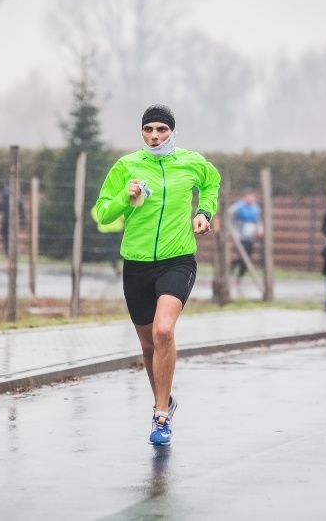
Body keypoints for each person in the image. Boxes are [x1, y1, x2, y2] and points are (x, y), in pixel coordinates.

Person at [94, 104, 220, 445]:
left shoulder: (191, 162)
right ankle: (164, 400)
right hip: (136, 265)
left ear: (172, 132)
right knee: (149, 345)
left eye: (161, 130)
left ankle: (160, 415)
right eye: (148, 129)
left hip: (178, 260)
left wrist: (204, 212)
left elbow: (212, 182)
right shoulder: (127, 166)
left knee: (164, 330)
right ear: (142, 133)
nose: (154, 136)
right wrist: (126, 195)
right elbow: (103, 212)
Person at [227, 189, 263, 282]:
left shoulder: (256, 208)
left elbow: (258, 221)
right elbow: (229, 219)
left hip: (249, 237)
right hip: (239, 236)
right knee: (240, 256)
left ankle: (239, 277)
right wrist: (234, 232)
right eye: (249, 196)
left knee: (248, 257)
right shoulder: (238, 207)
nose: (251, 199)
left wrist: (259, 228)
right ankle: (229, 271)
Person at [0, 184, 27, 256]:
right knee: (10, 237)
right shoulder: (18, 197)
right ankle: (10, 251)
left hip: (6, 220)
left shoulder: (4, 196)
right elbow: (22, 210)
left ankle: (8, 251)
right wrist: (23, 221)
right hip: (13, 221)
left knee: (4, 236)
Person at [90, 205, 125, 275]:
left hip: (113, 230)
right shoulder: (116, 198)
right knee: (111, 249)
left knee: (113, 249)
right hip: (112, 230)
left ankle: (116, 266)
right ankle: (116, 266)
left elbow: (94, 212)